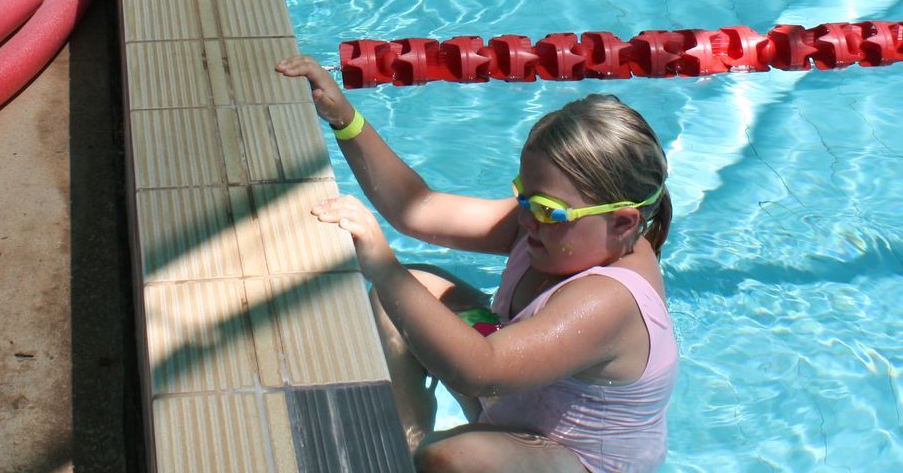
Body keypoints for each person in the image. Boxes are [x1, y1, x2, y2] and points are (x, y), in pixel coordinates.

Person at [281, 60, 675, 469]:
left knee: (455, 459)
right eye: (524, 196)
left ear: (623, 222)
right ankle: (402, 448)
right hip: (513, 398)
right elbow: (417, 210)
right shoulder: (561, 227)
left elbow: (481, 371)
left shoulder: (609, 300)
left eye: (547, 210)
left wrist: (384, 266)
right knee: (401, 298)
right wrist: (344, 119)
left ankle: (422, 458)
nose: (524, 218)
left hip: (573, 457)